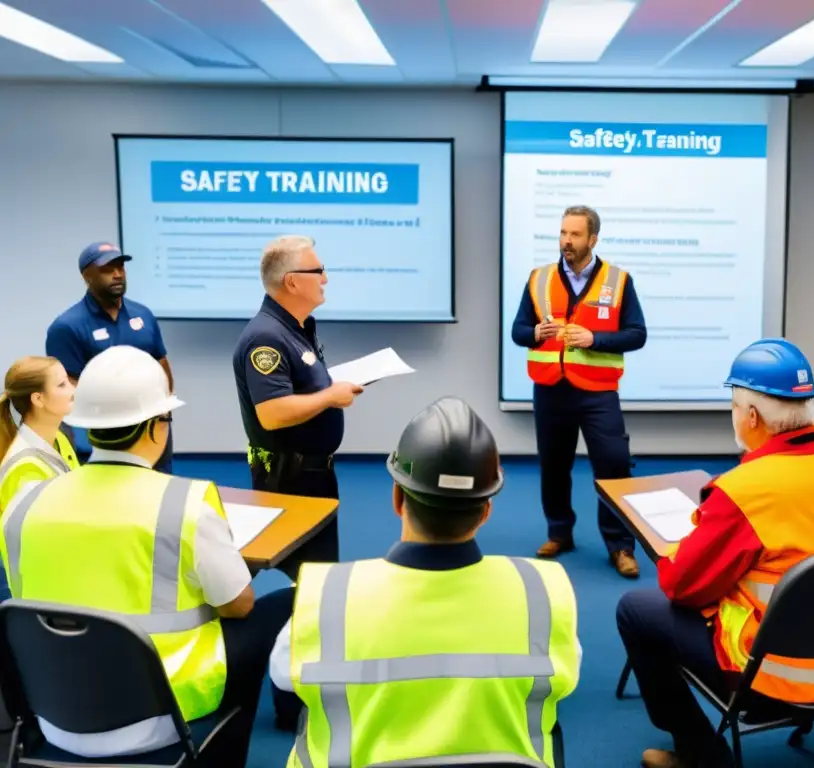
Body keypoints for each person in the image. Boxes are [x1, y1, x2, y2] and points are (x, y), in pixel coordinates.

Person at [0, 345, 292, 767]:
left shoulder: (23, 508)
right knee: (285, 599)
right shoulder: (185, 503)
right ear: (158, 427)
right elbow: (238, 604)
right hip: (158, 715)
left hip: (54, 715)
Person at [615, 338, 814, 768]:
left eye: (733, 407)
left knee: (636, 609)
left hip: (772, 677)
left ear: (751, 417)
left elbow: (682, 589)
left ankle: (700, 755)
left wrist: (684, 546)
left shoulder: (742, 494)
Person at [269, 397, 580, 768]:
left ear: (398, 498)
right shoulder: (542, 593)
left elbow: (283, 681)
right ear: (486, 511)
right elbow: (566, 674)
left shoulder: (326, 597)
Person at [511, 205, 647, 578]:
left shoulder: (618, 280)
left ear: (593, 239)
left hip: (598, 392)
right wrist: (537, 333)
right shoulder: (539, 279)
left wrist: (595, 338)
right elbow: (518, 331)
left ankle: (620, 546)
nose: (566, 242)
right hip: (551, 390)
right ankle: (559, 533)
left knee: (614, 466)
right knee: (554, 467)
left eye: (574, 235)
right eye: (562, 234)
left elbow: (637, 334)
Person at [232, 235, 359, 581]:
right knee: (313, 581)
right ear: (291, 281)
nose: (325, 278)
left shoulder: (297, 327)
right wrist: (331, 397)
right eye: (318, 270)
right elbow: (272, 413)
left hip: (311, 476)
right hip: (289, 480)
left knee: (315, 578)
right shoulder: (266, 338)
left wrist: (330, 389)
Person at [45, 241, 176, 473]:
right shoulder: (67, 326)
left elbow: (161, 363)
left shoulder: (143, 315)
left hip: (151, 426)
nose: (117, 274)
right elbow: (67, 386)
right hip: (106, 432)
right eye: (107, 269)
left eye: (121, 268)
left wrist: (164, 411)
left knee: (159, 488)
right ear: (87, 276)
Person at [0, 356, 79, 601]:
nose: (73, 390)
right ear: (38, 398)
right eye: (62, 384)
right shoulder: (25, 467)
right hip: (44, 595)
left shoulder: (60, 440)